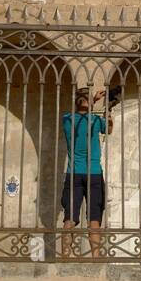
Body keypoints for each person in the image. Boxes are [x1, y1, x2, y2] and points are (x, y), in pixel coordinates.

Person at [61, 87, 109, 257]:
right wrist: (105, 107)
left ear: (76, 102)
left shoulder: (67, 119)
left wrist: (90, 100)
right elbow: (108, 128)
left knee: (69, 219)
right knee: (94, 220)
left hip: (73, 173)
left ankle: (65, 256)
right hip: (94, 173)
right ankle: (95, 257)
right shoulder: (95, 120)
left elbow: (80, 114)